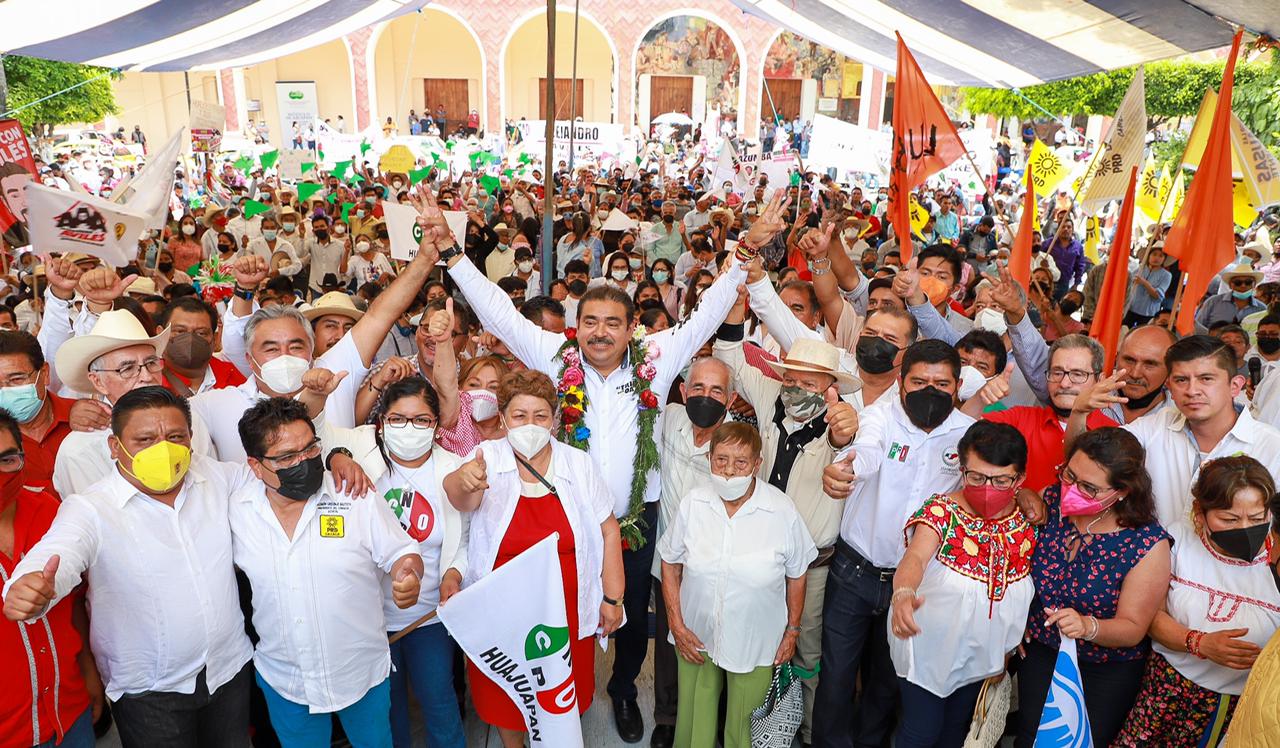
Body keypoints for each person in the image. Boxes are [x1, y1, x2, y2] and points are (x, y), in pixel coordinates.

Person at [439, 191, 791, 742]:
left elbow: (711, 310)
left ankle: (623, 690)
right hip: (560, 514)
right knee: (555, 609)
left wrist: (747, 248)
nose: (600, 332)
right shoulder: (554, 358)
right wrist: (454, 256)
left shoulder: (659, 358)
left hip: (633, 518)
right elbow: (498, 312)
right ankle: (546, 693)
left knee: (626, 612)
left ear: (632, 330)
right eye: (591, 322)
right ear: (575, 327)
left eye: (613, 323)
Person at [3, 387, 258, 747]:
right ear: (114, 446)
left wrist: (339, 456)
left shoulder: (216, 477)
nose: (162, 448)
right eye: (145, 439)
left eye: (174, 437)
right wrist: (29, 585)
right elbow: (60, 551)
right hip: (150, 691)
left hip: (228, 669)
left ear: (190, 439)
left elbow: (271, 471)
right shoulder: (90, 508)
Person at [442, 369, 624, 748]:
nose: (530, 424)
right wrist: (465, 480)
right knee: (506, 693)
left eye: (540, 416)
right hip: (501, 611)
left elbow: (608, 530)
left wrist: (612, 597)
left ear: (555, 420)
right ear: (504, 417)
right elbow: (460, 496)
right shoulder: (486, 458)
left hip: (566, 610)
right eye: (520, 415)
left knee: (558, 695)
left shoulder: (578, 465)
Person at [232, 396, 421, 746]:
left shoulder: (353, 494)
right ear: (255, 466)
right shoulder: (237, 508)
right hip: (285, 679)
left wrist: (407, 574)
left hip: (360, 672)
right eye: (288, 457)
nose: (304, 462)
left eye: (310, 449)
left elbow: (403, 551)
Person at [815, 340, 977, 747]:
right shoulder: (878, 418)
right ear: (901, 382)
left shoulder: (967, 437)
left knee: (887, 682)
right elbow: (863, 453)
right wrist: (843, 469)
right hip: (855, 572)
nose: (930, 391)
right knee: (835, 676)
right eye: (919, 381)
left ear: (957, 387)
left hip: (916, 584)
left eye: (941, 383)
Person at [659, 421, 817, 748]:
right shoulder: (694, 503)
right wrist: (675, 622)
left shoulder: (780, 510)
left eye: (741, 462)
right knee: (693, 721)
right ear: (709, 459)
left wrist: (792, 632)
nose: (730, 471)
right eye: (721, 460)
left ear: (757, 464)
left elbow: (798, 573)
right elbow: (670, 562)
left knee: (747, 726)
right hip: (696, 633)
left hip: (756, 638)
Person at [1014, 428, 1171, 747]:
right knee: (1030, 737)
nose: (1071, 489)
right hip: (1041, 653)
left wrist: (1087, 626)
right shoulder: (1052, 502)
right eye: (1068, 476)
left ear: (1123, 491)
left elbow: (1133, 628)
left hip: (1102, 671)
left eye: (1089, 488)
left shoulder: (1146, 543)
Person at [1114, 456, 1280, 746]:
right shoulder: (1178, 541)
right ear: (1199, 514)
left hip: (1239, 706)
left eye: (1257, 519)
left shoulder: (1277, 559)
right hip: (1167, 689)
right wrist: (1198, 642)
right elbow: (1150, 613)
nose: (1244, 528)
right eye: (1229, 519)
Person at [889, 421, 1035, 747]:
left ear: (1020, 478)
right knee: (921, 731)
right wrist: (903, 594)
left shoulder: (1027, 520)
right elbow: (914, 558)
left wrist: (1010, 643)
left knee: (956, 731)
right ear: (962, 467)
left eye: (1001, 480)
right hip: (930, 649)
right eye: (977, 477)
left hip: (984, 655)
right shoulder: (942, 511)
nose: (987, 488)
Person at [1069, 334, 1280, 528]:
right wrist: (1078, 412)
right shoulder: (1153, 426)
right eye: (1181, 380)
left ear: (1235, 385)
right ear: (1169, 385)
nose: (1192, 390)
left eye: (1206, 378)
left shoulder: (1272, 446)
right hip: (1154, 565)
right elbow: (1086, 462)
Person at [0, 408, 98, 748]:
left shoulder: (51, 512)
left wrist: (89, 674)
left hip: (69, 711)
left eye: (8, 460)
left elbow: (73, 604)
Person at [1198, 264, 1267, 329]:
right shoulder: (1213, 302)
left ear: (1254, 285)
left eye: (1248, 282)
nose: (1243, 286)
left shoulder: (1262, 309)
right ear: (1230, 285)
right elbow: (1198, 326)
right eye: (1238, 283)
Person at [1124, 247, 1172, 327]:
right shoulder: (1139, 268)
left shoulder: (1166, 275)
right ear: (1149, 256)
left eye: (1161, 256)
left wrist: (1144, 283)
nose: (1156, 258)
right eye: (1154, 254)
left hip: (1148, 313)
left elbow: (1158, 296)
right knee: (1123, 330)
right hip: (1131, 308)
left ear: (1164, 259)